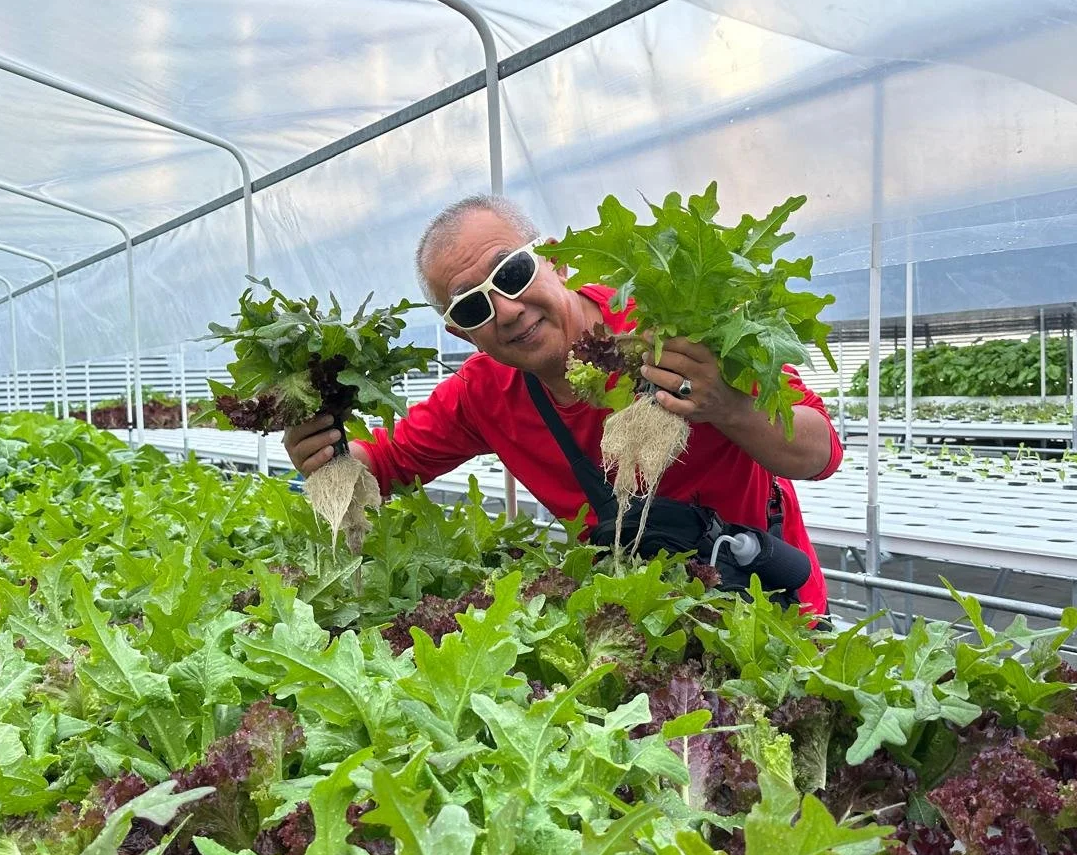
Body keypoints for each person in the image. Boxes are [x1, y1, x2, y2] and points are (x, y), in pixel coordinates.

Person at [283, 195, 843, 616]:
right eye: (473, 308)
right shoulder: (484, 393)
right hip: (642, 621)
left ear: (558, 262)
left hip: (767, 610)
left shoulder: (667, 325)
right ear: (462, 333)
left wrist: (732, 407)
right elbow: (387, 464)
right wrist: (324, 450)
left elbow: (819, 453)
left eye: (512, 273)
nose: (505, 310)